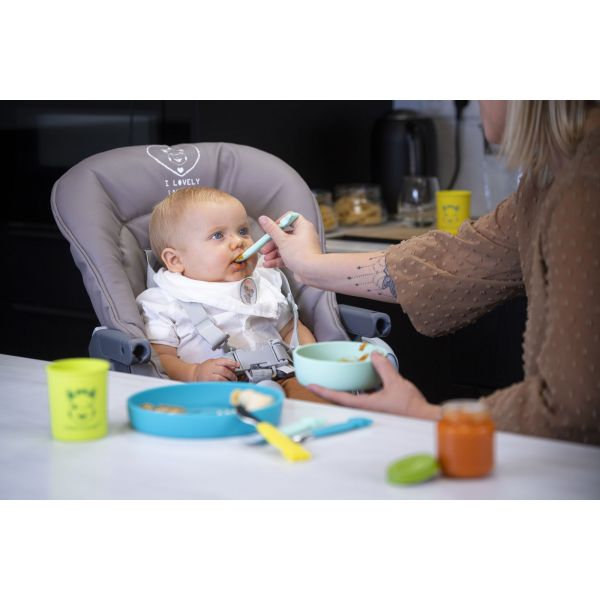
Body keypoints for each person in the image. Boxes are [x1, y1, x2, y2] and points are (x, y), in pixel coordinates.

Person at [257, 101, 600, 446]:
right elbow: (455, 260)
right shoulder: (549, 179)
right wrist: (309, 265)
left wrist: (425, 415)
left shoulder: (584, 187)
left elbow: (572, 409)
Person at [136, 186, 321, 401]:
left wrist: (313, 361)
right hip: (211, 390)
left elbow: (291, 329)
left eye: (243, 231)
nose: (238, 242)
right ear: (176, 260)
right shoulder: (165, 301)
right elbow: (161, 357)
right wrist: (194, 373)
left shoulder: (263, 281)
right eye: (218, 235)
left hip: (283, 376)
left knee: (318, 398)